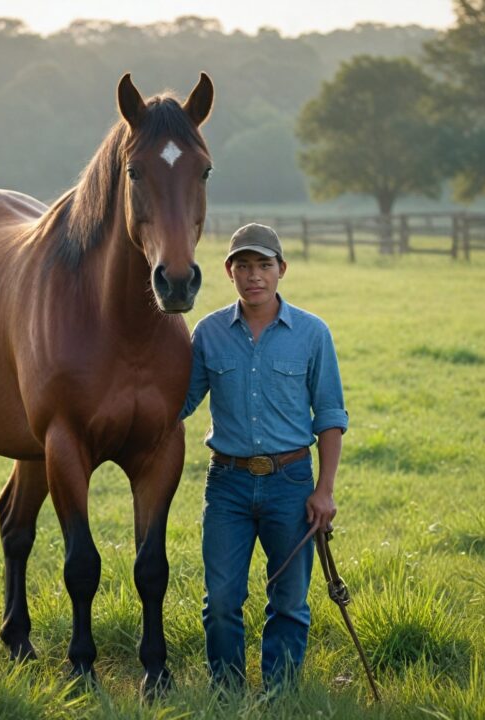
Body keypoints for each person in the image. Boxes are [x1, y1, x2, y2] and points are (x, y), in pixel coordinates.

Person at [180, 222, 348, 691]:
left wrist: (325, 490)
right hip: (228, 484)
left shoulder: (312, 334)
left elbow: (330, 415)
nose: (255, 276)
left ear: (281, 270)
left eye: (264, 266)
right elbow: (182, 403)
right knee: (221, 601)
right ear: (229, 272)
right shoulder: (208, 333)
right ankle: (227, 692)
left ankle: (280, 695)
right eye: (244, 266)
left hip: (291, 483)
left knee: (290, 601)